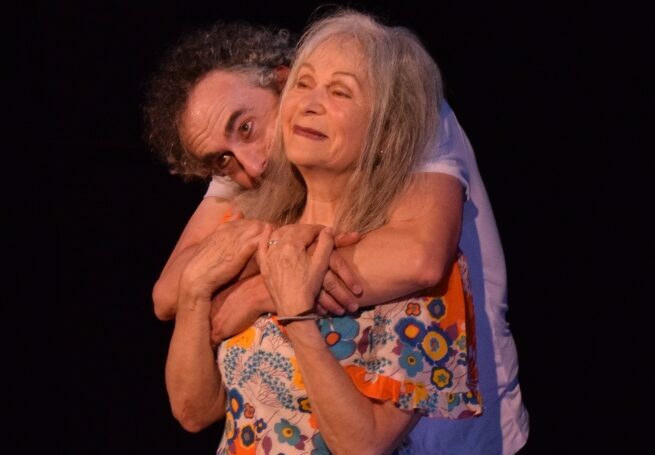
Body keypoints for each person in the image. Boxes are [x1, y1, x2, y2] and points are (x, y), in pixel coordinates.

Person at [144, 12, 528, 455]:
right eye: (222, 161)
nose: (252, 165)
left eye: (246, 128)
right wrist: (231, 272)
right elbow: (169, 299)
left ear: (281, 83)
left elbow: (421, 259)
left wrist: (265, 290)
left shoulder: (409, 110)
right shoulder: (259, 177)